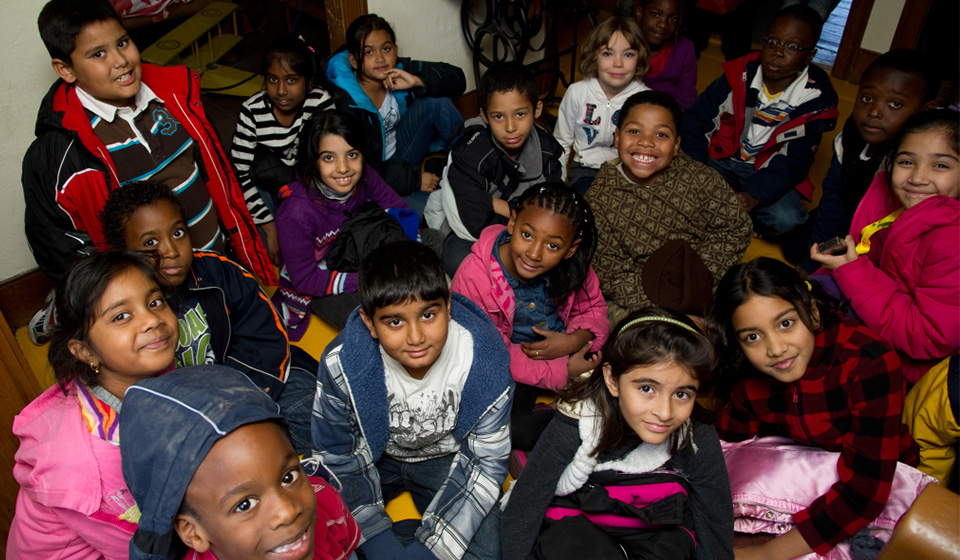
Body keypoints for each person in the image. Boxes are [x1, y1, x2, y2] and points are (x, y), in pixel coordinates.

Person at [24, 0, 274, 285]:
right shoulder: (59, 154)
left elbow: (218, 171)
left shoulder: (176, 96)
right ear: (66, 70)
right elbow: (60, 249)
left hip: (219, 263)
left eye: (122, 42)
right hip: (155, 295)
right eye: (98, 54)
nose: (120, 60)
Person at [707, 257, 919, 560]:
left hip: (883, 487)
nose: (776, 348)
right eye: (753, 337)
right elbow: (725, 443)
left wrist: (767, 554)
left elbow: (866, 491)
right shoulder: (750, 380)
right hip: (810, 485)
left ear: (813, 311)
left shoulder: (868, 362)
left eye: (785, 323)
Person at [312, 241, 513, 560]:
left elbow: (486, 461)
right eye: (395, 322)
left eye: (429, 314)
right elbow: (338, 455)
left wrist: (427, 551)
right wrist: (380, 544)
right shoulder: (343, 363)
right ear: (369, 323)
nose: (416, 337)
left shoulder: (485, 362)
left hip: (446, 458)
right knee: (318, 528)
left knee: (493, 548)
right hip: (375, 457)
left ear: (448, 305)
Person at [99, 180, 319, 455]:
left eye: (178, 233)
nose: (171, 251)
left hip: (254, 382)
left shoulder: (219, 271)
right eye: (151, 242)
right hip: (192, 416)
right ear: (124, 254)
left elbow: (264, 334)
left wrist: (242, 397)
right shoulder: (122, 312)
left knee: (321, 416)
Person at [501, 307, 734, 560]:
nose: (665, 412)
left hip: (653, 528)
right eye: (647, 388)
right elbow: (526, 504)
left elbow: (714, 519)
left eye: (682, 394)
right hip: (582, 529)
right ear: (612, 379)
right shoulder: (576, 420)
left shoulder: (696, 433)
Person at [7, 252, 178, 559]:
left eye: (154, 302)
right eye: (121, 316)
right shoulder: (99, 464)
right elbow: (150, 550)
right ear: (85, 351)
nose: (153, 319)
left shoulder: (142, 370)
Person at [119, 367, 361, 560]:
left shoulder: (327, 507)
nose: (287, 511)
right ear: (193, 533)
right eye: (245, 504)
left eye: (288, 477)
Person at [452, 182, 608, 450]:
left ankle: (580, 421)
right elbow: (488, 354)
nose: (534, 254)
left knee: (623, 392)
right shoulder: (474, 275)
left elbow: (593, 309)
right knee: (506, 428)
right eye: (527, 235)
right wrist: (564, 371)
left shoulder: (574, 266)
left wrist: (574, 341)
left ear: (571, 249)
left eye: (553, 246)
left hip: (568, 355)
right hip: (508, 367)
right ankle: (551, 429)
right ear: (512, 223)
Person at [809, 109, 959, 383]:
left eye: (941, 165)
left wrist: (851, 271)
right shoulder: (893, 205)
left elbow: (929, 336)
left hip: (912, 366)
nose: (917, 177)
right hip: (877, 316)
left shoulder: (954, 244)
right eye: (906, 161)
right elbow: (867, 260)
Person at [586, 90, 752, 324]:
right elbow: (614, 275)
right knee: (647, 338)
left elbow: (734, 228)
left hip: (704, 282)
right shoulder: (598, 201)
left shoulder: (701, 178)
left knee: (749, 314)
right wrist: (672, 311)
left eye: (661, 135)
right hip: (643, 302)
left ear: (676, 145)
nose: (646, 142)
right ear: (616, 137)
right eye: (634, 131)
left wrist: (695, 283)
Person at [681, 5, 839, 237]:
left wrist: (754, 195)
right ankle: (724, 205)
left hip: (764, 170)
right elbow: (696, 122)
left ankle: (735, 210)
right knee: (678, 185)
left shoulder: (814, 101)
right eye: (772, 41)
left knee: (787, 219)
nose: (778, 52)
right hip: (720, 158)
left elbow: (794, 162)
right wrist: (698, 172)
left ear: (810, 56)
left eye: (792, 46)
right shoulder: (738, 75)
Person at [790, 49, 939, 271]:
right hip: (851, 213)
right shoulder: (849, 139)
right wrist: (814, 262)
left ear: (925, 111)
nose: (875, 112)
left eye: (895, 104)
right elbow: (834, 201)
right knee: (799, 248)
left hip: (891, 236)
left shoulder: (923, 162)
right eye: (867, 98)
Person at [271, 110, 413, 335]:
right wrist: (374, 279)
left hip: (361, 254)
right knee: (371, 318)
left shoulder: (365, 175)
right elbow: (306, 279)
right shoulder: (294, 213)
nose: (343, 168)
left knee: (429, 241)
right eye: (329, 158)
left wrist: (404, 253)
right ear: (313, 161)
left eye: (352, 155)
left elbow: (399, 210)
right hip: (323, 281)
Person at [325, 13, 466, 215]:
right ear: (354, 60)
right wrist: (415, 180)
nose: (381, 58)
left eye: (386, 49)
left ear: (395, 50)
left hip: (403, 153)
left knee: (437, 102)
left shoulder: (399, 69)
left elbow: (458, 79)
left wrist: (418, 81)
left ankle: (473, 165)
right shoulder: (345, 100)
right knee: (413, 214)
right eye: (368, 52)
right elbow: (357, 167)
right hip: (372, 175)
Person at [433, 62, 563, 277]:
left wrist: (497, 205)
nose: (510, 127)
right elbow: (473, 224)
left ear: (537, 109)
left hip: (529, 236)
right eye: (498, 116)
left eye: (520, 114)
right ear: (484, 115)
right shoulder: (470, 154)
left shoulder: (548, 151)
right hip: (472, 235)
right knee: (461, 262)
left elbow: (552, 210)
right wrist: (524, 214)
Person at [231, 35, 336, 264]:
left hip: (306, 186)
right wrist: (270, 228)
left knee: (315, 243)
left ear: (308, 80)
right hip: (266, 189)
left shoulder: (320, 102)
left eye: (291, 80)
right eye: (272, 79)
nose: (280, 91)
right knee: (265, 250)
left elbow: (330, 158)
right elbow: (240, 174)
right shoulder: (252, 111)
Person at [553, 16, 650, 194]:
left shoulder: (645, 99)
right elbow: (561, 142)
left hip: (630, 170)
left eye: (628, 54)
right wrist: (558, 182)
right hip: (586, 169)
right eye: (607, 53)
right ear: (594, 56)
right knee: (590, 207)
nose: (618, 63)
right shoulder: (577, 93)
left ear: (639, 58)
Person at [635, 0, 697, 110]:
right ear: (640, 13)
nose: (663, 24)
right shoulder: (623, 44)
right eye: (655, 14)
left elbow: (687, 99)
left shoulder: (684, 49)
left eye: (673, 19)